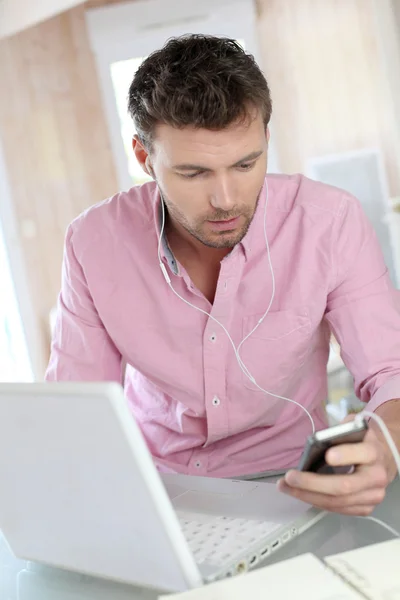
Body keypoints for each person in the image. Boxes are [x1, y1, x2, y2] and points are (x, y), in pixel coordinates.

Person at [46, 34, 400, 516]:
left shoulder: (329, 222)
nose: (226, 199)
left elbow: (390, 371)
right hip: (158, 491)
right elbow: (77, 408)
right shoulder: (92, 243)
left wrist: (387, 443)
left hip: (295, 483)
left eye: (246, 164)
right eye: (194, 173)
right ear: (144, 158)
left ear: (266, 142)